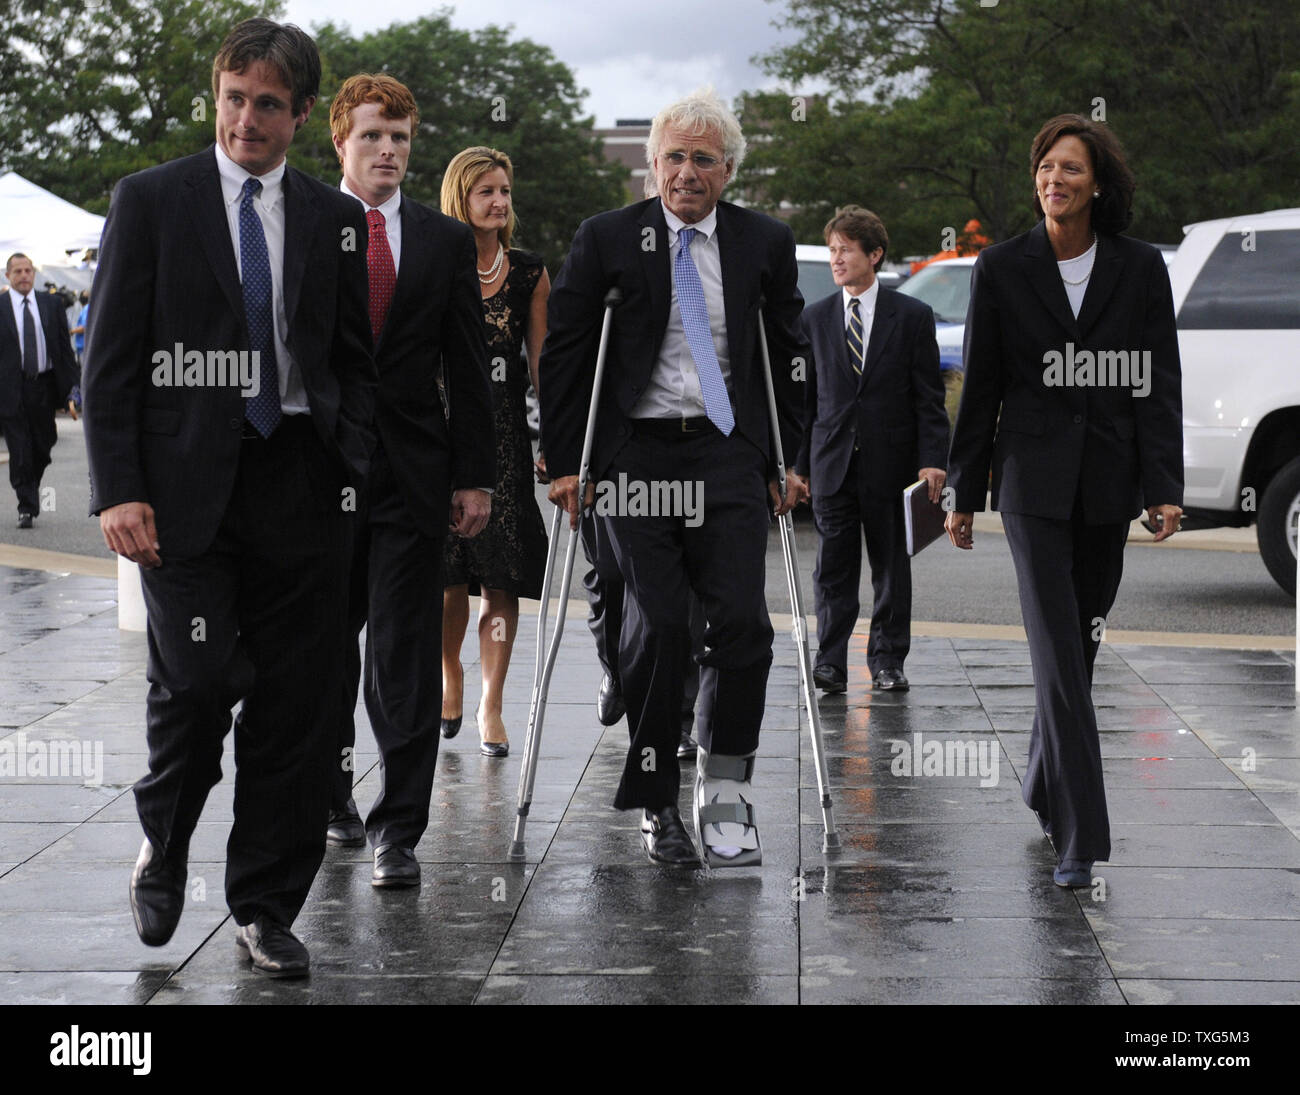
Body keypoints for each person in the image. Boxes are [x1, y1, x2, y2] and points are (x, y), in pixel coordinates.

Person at [83, 18, 376, 977]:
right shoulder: (152, 200)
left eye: (267, 104)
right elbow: (112, 358)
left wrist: (353, 462)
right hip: (183, 493)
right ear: (218, 98)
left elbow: (348, 361)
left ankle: (263, 906)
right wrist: (118, 489)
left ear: (299, 114)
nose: (246, 119)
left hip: (301, 481)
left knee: (299, 708)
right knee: (202, 684)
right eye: (233, 98)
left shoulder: (335, 220)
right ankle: (163, 842)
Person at [540, 87, 808, 869]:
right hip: (635, 454)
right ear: (651, 164)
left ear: (727, 169)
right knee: (658, 626)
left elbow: (788, 356)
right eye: (672, 157)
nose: (685, 172)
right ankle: (657, 797)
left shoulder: (764, 242)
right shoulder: (606, 239)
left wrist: (786, 457)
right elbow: (564, 358)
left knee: (745, 627)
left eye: (702, 158)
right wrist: (567, 464)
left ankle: (723, 789)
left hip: (726, 450)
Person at [944, 114, 1183, 890]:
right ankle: (1079, 836)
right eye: (1046, 167)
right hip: (1031, 488)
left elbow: (1155, 384)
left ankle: (1044, 782)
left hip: (1108, 487)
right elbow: (979, 386)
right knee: (1055, 648)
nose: (1055, 179)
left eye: (1071, 169)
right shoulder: (1002, 268)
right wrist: (961, 488)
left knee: (1075, 650)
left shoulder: (1141, 267)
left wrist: (1163, 487)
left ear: (1099, 184)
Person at [324, 76, 495, 886]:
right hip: (315, 473)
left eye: (399, 137)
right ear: (340, 144)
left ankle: (400, 829)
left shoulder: (442, 239)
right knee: (320, 648)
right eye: (372, 137)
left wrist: (475, 476)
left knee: (402, 650)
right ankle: (329, 792)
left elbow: (468, 365)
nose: (388, 150)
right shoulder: (305, 224)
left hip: (413, 476)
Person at [797, 206, 949, 695]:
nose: (836, 259)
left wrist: (933, 461)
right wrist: (798, 468)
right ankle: (830, 662)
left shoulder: (912, 317)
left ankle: (887, 662)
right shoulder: (815, 318)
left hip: (892, 465)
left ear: (874, 254)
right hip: (831, 465)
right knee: (832, 570)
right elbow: (806, 402)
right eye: (832, 250)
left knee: (891, 569)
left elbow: (929, 397)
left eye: (845, 249)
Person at [438, 146, 550, 758]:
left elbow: (544, 367)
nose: (500, 202)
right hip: (443, 439)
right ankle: (451, 672)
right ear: (462, 197)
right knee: (448, 577)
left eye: (505, 191)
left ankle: (491, 703)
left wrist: (554, 446)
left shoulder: (530, 272)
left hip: (505, 444)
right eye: (486, 191)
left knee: (500, 579)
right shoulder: (435, 261)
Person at [0, 253, 79, 528]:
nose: (24, 276)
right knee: (20, 448)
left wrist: (73, 388)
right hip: (11, 388)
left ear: (34, 274)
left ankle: (30, 485)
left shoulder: (51, 304)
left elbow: (63, 349)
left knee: (44, 445)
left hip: (43, 386)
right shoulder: (0, 306)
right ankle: (27, 505)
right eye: (18, 271)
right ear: (8, 276)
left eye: (28, 271)